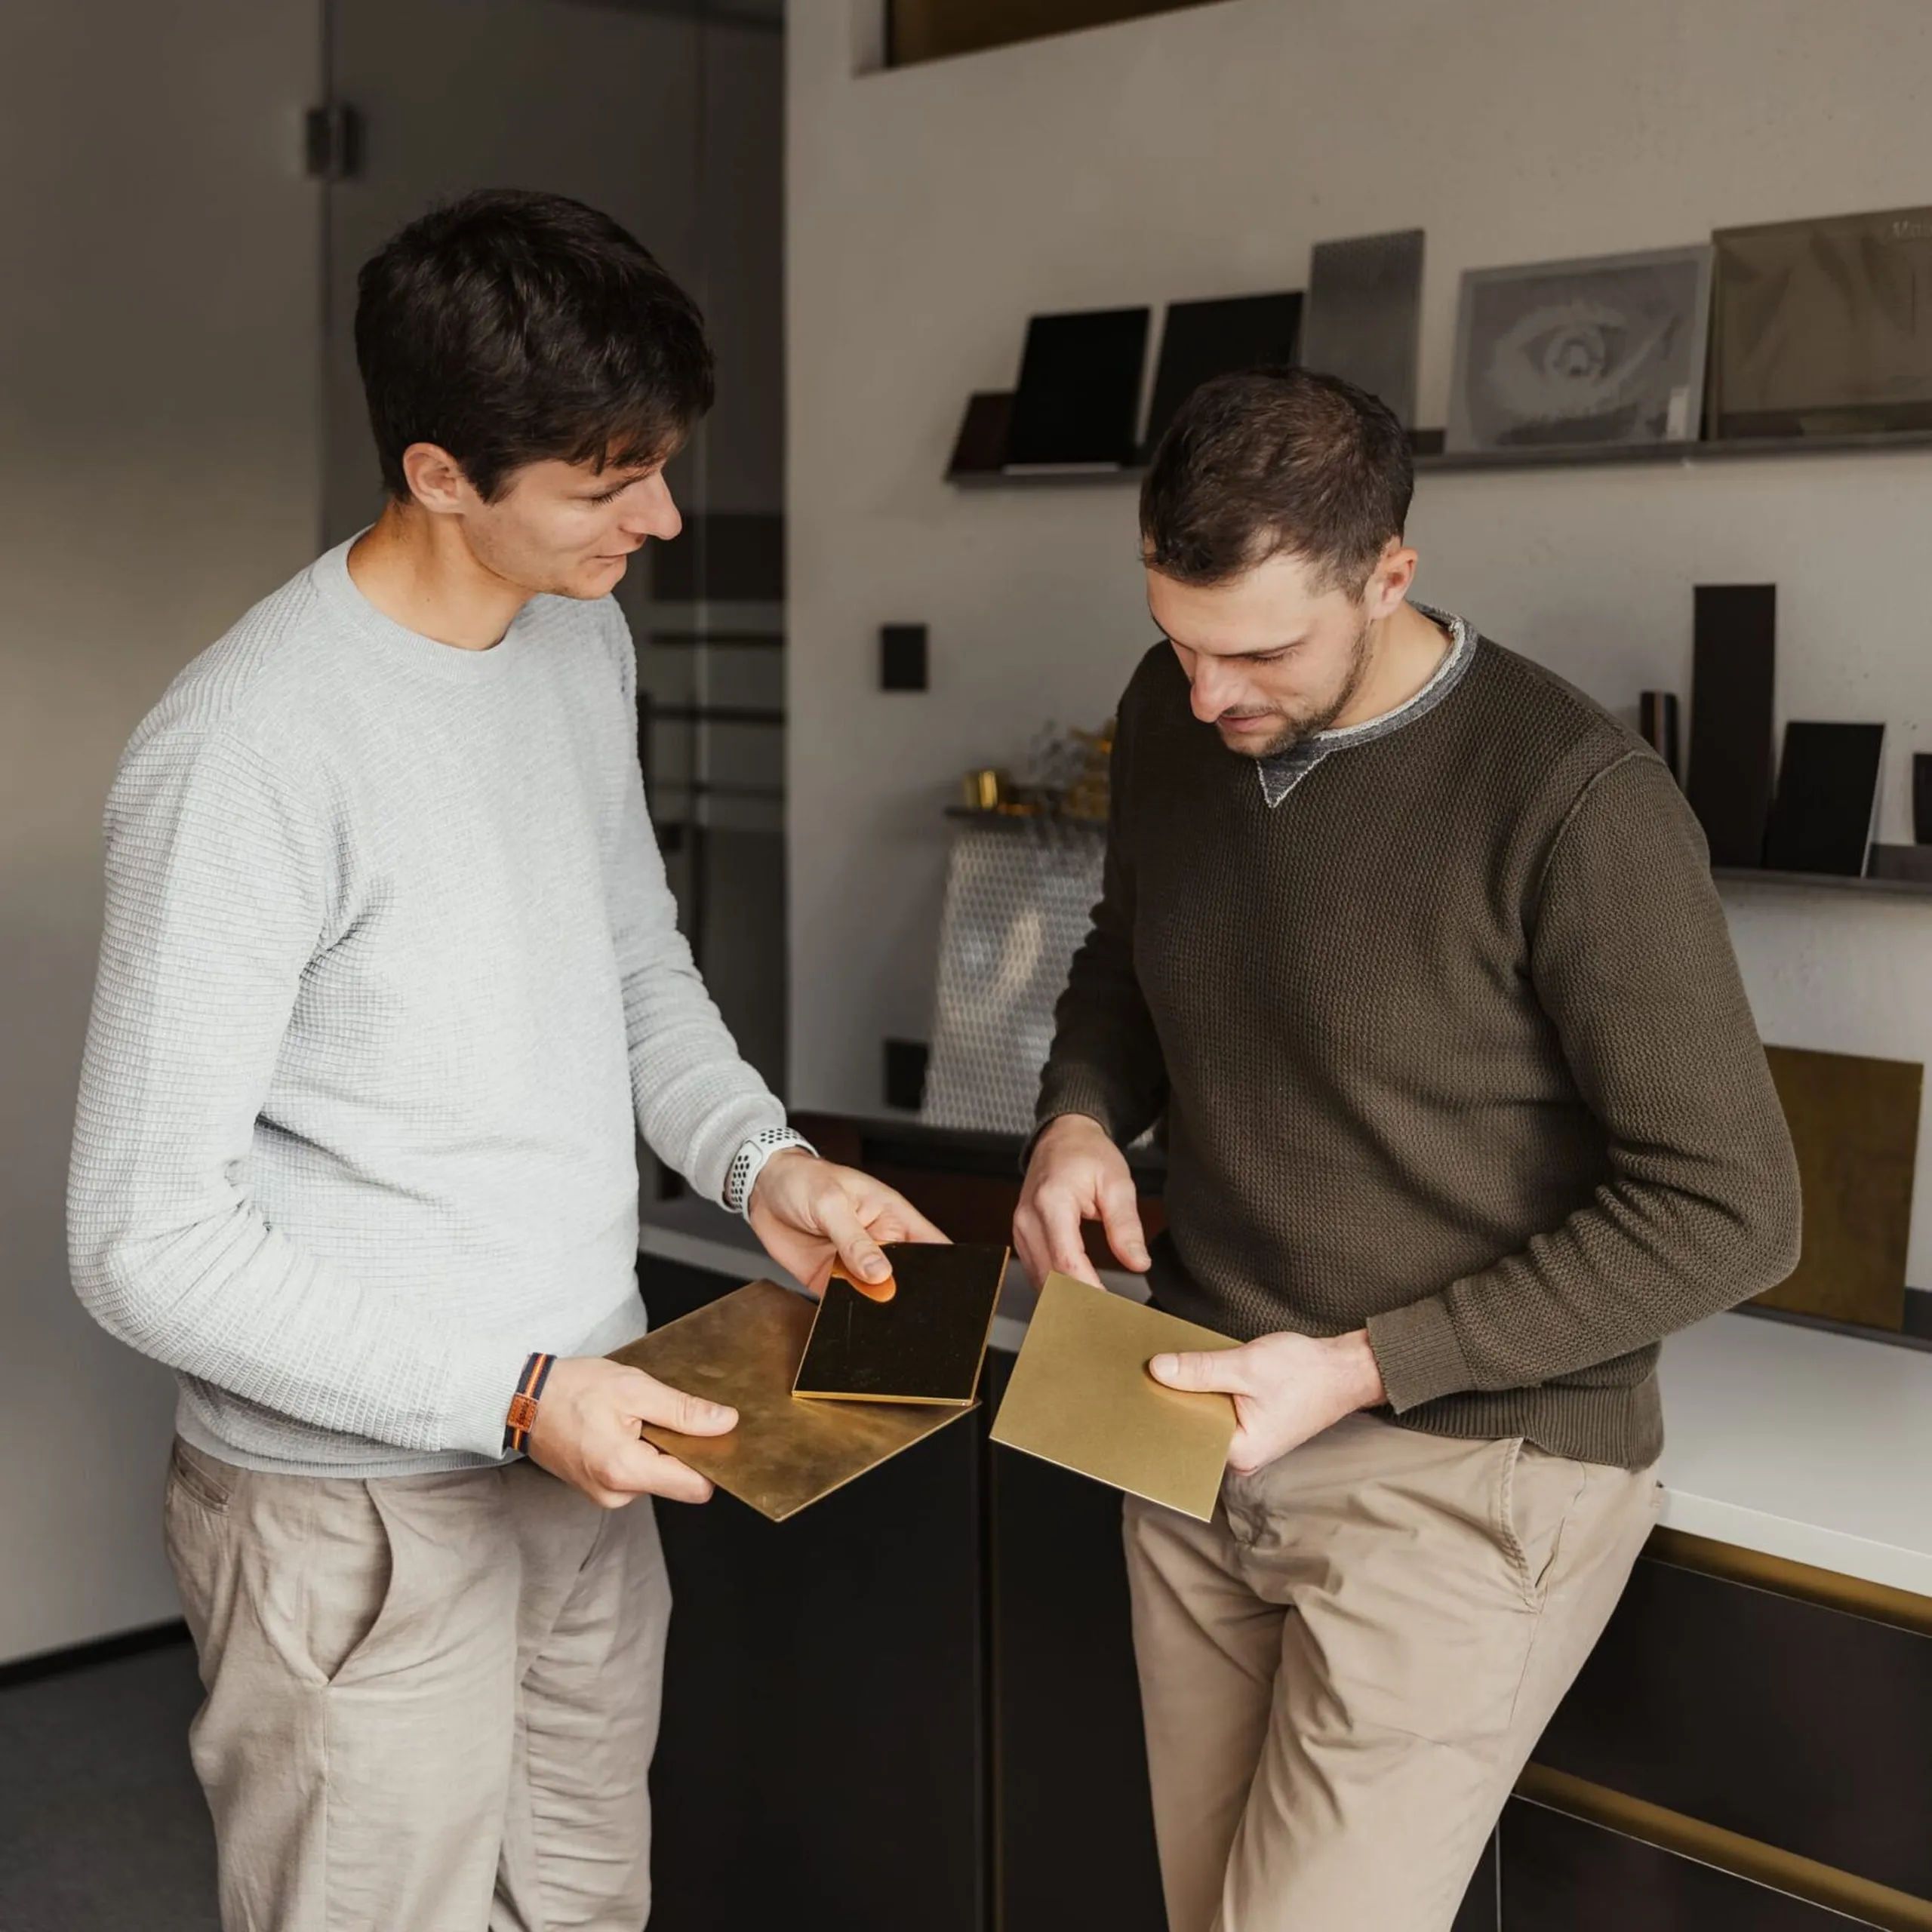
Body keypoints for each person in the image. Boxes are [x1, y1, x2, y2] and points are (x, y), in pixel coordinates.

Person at [67, 188, 941, 1932]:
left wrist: (765, 1163)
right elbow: (140, 1239)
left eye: (662, 460)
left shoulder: (574, 637)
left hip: (580, 1453)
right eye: (605, 482)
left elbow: (629, 962)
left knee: (585, 1909)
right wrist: (519, 1395)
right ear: (440, 474)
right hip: (359, 1515)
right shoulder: (245, 753)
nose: (664, 515)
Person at [1013, 365, 1800, 1932]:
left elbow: (1731, 1208)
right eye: (1175, 639)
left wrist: (1359, 1364)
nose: (1203, 694)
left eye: (1255, 649)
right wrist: (1079, 1112)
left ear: (1386, 577)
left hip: (1465, 1460)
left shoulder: (1574, 802)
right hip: (1199, 1420)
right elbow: (1131, 945)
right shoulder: (1174, 723)